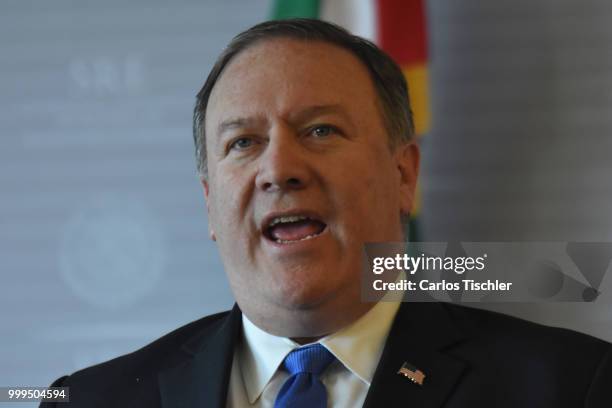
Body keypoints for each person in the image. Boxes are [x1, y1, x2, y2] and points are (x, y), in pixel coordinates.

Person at [41, 19, 611, 408]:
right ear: (210, 203)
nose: (278, 169)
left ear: (404, 175)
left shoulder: (572, 386)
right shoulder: (90, 400)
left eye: (320, 130)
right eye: (242, 142)